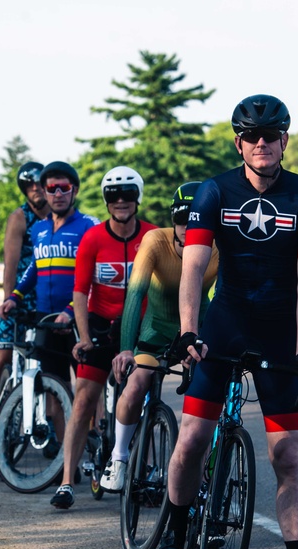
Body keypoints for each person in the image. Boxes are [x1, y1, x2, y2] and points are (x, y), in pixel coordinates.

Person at [159, 94, 298, 549]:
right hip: (226, 324)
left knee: (286, 455)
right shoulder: (215, 192)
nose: (262, 144)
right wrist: (190, 331)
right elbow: (193, 267)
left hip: (279, 332)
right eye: (252, 137)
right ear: (239, 142)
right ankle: (179, 525)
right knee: (191, 440)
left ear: (284, 141)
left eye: (271, 136)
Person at [46, 166, 157, 510]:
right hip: (99, 324)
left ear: (137, 198)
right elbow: (80, 292)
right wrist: (82, 336)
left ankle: (140, 468)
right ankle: (66, 481)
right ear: (107, 201)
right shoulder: (93, 237)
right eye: (113, 196)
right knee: (83, 400)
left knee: (143, 398)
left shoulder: (153, 235)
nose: (120, 201)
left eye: (127, 195)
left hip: (139, 328)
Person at [102, 182, 219, 492]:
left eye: (196, 219)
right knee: (136, 384)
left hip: (195, 334)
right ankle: (119, 457)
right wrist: (126, 348)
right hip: (155, 334)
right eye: (182, 220)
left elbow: (225, 297)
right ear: (173, 219)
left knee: (205, 405)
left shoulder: (219, 246)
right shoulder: (155, 241)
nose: (188, 227)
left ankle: (204, 477)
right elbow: (135, 293)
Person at [1, 161, 98, 456]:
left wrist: (71, 308)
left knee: (87, 391)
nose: (57, 193)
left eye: (64, 188)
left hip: (77, 321)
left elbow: (93, 274)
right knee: (56, 392)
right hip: (46, 321)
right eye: (51, 188)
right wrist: (15, 296)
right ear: (43, 191)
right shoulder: (39, 229)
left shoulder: (88, 226)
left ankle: (95, 451)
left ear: (74, 191)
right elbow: (35, 267)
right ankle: (64, 459)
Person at [0, 162, 50, 441]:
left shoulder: (56, 216)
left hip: (46, 299)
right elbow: (10, 264)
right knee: (2, 357)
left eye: (38, 183)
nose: (34, 189)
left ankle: (51, 424)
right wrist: (9, 301)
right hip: (20, 296)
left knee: (49, 363)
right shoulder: (19, 217)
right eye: (28, 185)